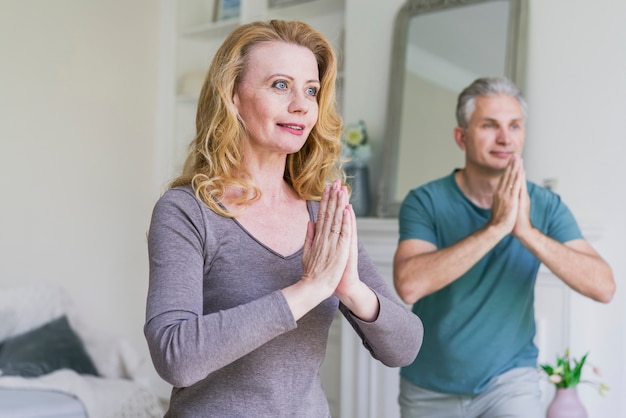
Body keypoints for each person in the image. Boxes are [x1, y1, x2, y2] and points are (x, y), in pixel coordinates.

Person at [144, 19, 423, 418]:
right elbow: (175, 356)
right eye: (280, 85)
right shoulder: (187, 211)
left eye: (311, 90)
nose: (302, 104)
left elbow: (406, 346)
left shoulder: (321, 211)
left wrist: (352, 288)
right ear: (234, 97)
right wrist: (309, 290)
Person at [393, 76, 615, 418]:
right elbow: (409, 285)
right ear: (461, 136)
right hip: (428, 386)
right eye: (490, 125)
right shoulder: (425, 200)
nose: (505, 138)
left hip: (510, 383)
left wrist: (525, 231)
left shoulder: (545, 204)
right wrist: (496, 228)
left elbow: (603, 287)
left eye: (515, 126)